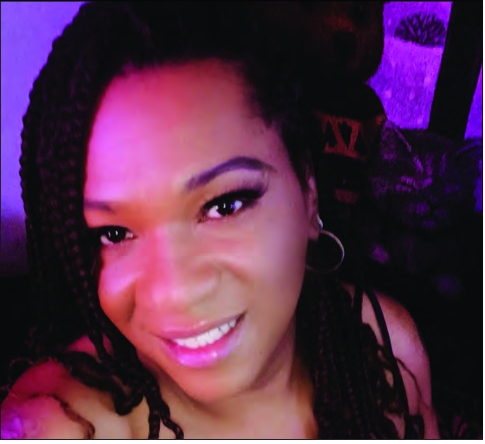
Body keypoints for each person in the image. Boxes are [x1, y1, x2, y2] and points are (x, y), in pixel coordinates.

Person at [0, 2, 439, 439]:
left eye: (225, 205)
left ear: (308, 190)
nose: (176, 291)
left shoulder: (383, 349)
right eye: (115, 233)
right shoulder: (59, 427)